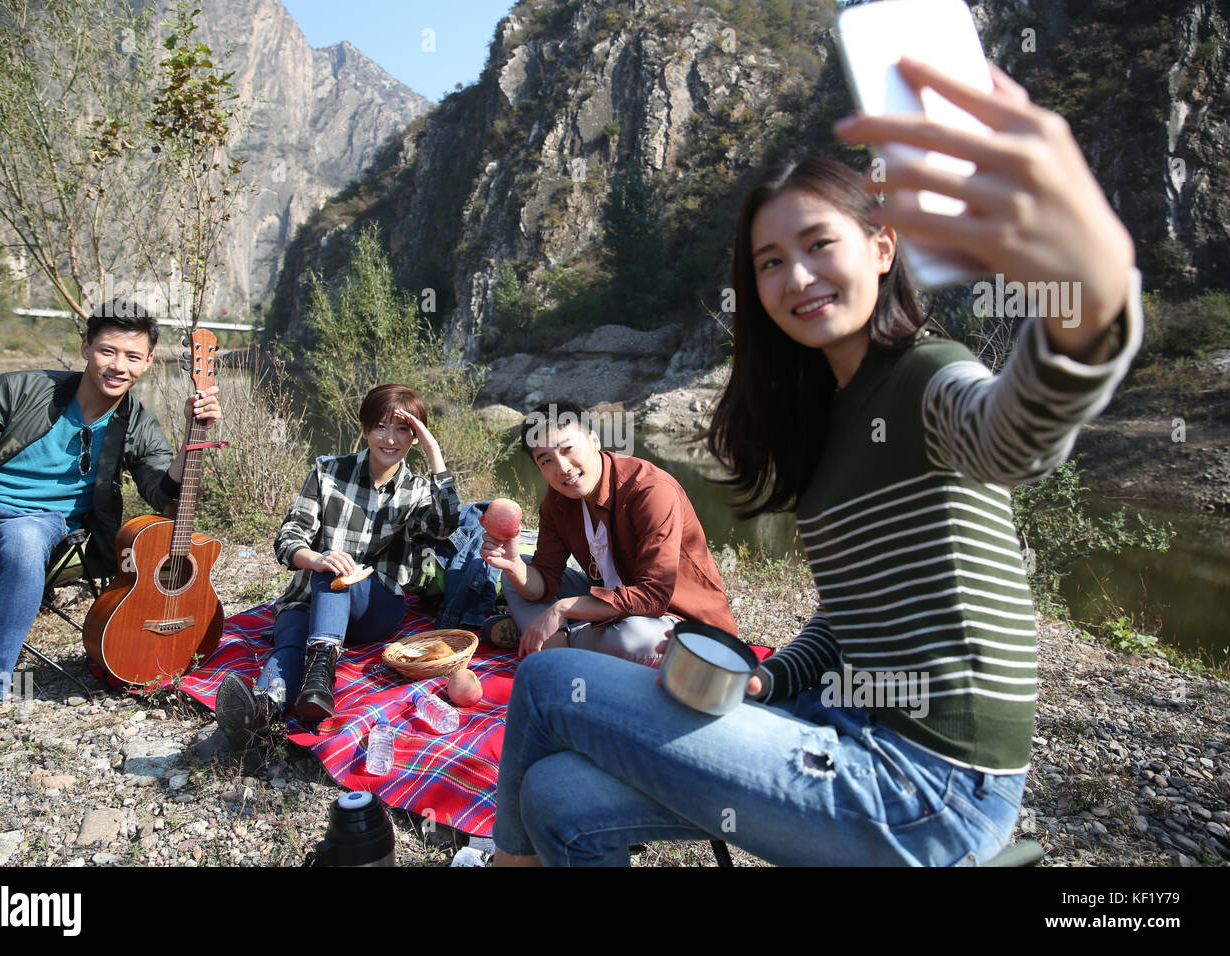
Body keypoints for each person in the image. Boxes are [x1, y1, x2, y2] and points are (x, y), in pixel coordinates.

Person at [490, 57, 1143, 866]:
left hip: (932, 787)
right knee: (553, 797)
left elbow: (1014, 437)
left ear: (881, 246)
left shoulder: (925, 375)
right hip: (840, 729)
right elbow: (850, 613)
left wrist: (1092, 288)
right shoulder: (831, 421)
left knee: (551, 684)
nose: (795, 276)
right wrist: (770, 680)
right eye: (769, 262)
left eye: (818, 244)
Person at [0, 304, 222, 784]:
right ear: (86, 348)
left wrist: (195, 437)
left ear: (148, 363)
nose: (118, 366)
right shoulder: (18, 389)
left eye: (133, 356)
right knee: (15, 534)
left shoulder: (136, 422)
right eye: (107, 350)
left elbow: (161, 493)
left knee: (27, 536)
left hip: (40, 528)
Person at [215, 384, 459, 746]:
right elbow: (288, 538)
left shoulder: (418, 489)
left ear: (415, 436)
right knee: (291, 640)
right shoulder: (328, 472)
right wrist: (316, 557)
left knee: (334, 576)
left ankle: (318, 679)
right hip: (310, 601)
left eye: (403, 429)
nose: (390, 439)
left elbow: (444, 526)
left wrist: (434, 451)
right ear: (364, 428)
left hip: (374, 606)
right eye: (380, 426)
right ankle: (264, 711)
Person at [479, 400, 735, 665]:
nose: (563, 468)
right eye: (546, 461)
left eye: (568, 449)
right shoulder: (557, 501)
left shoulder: (650, 491)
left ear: (594, 440)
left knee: (633, 638)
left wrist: (563, 608)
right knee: (514, 577)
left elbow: (654, 597)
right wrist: (513, 565)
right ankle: (561, 637)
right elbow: (544, 581)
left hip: (677, 621)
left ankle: (555, 644)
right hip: (613, 598)